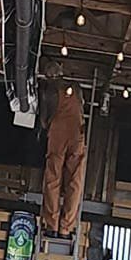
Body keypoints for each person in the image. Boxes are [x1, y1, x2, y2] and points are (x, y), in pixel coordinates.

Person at [40, 79, 85, 236]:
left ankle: (52, 225)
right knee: (75, 182)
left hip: (57, 136)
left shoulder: (48, 90)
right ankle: (66, 227)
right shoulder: (77, 88)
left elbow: (44, 121)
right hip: (76, 135)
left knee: (53, 179)